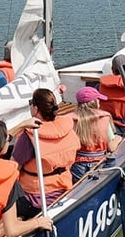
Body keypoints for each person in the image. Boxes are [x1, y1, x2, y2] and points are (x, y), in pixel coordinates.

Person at [10, 88, 79, 219]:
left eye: (31, 103)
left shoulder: (30, 136)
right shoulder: (67, 127)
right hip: (64, 187)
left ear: (35, 109)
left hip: (35, 198)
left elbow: (13, 170)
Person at [70, 87, 119, 182]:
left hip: (78, 166)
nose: (100, 102)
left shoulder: (70, 120)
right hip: (99, 163)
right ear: (94, 102)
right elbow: (111, 147)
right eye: (98, 100)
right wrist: (118, 138)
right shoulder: (103, 118)